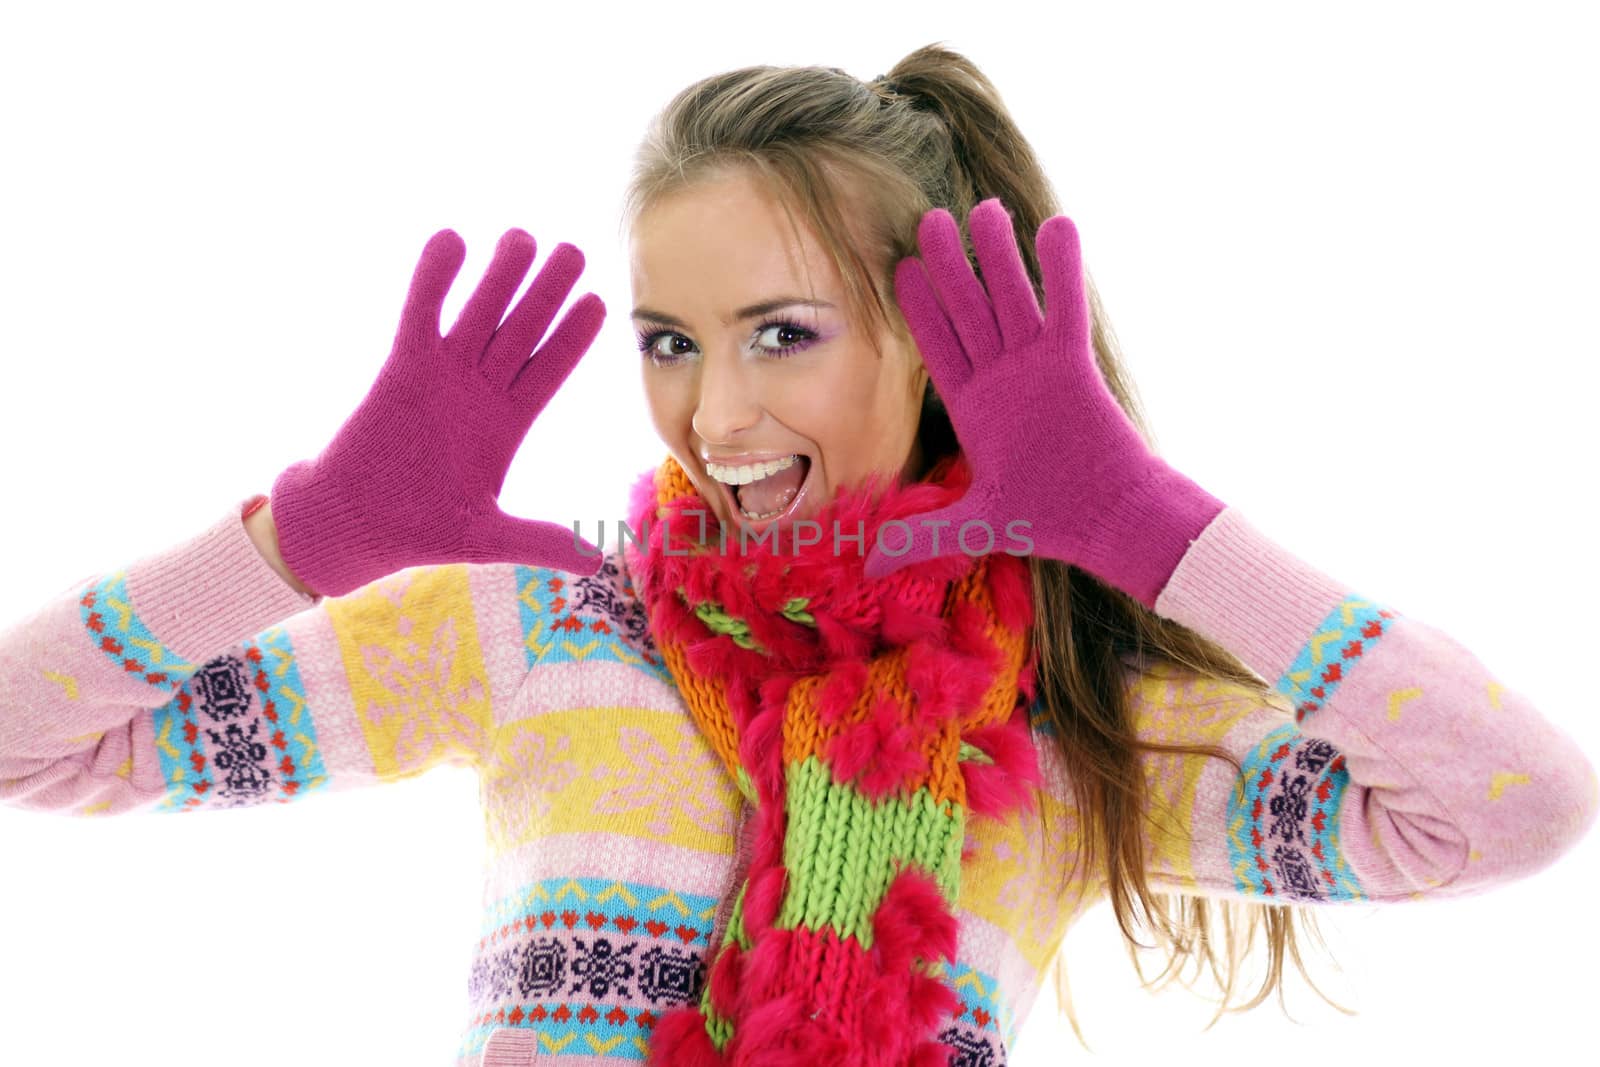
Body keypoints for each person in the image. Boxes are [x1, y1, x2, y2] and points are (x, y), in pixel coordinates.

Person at [2, 42, 1595, 1067]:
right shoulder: (548, 627)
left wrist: (1152, 534)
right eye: (670, 340)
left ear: (933, 346)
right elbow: (27, 748)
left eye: (782, 334)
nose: (716, 408)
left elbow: (1515, 807)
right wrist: (304, 542)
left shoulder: (1060, 729)